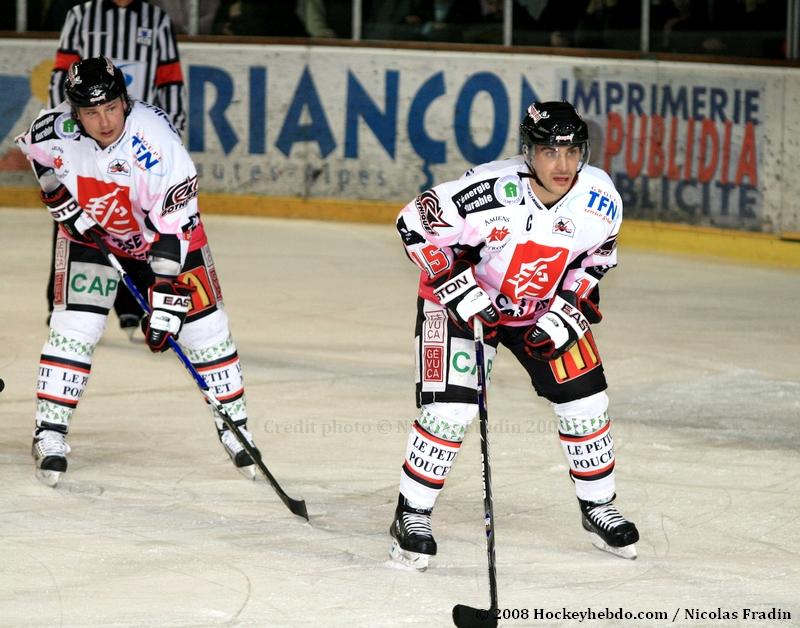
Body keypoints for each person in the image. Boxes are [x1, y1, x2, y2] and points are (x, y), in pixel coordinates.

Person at [388, 100, 639, 570]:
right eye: (550, 152)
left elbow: (597, 258)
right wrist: (458, 288)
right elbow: (412, 224)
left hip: (539, 307)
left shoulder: (600, 198)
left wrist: (566, 311)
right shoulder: (489, 191)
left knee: (586, 401)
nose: (563, 165)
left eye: (572, 152)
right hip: (461, 303)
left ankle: (598, 506)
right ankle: (412, 515)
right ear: (529, 152)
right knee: (452, 410)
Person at [15, 56, 260, 487]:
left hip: (165, 240)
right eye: (91, 112)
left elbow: (174, 227)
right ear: (75, 112)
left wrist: (164, 294)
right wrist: (57, 197)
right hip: (92, 236)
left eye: (111, 108)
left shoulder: (156, 142)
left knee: (205, 330)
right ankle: (49, 433)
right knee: (75, 327)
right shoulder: (56, 128)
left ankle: (235, 428)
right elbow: (35, 152)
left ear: (125, 101)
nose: (104, 121)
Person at [45, 0, 187, 338]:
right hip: (85, 141)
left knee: (134, 222)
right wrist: (59, 135)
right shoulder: (81, 15)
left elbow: (170, 81)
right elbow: (60, 76)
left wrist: (171, 138)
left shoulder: (156, 19)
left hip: (138, 144)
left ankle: (132, 304)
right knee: (75, 218)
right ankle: (65, 300)